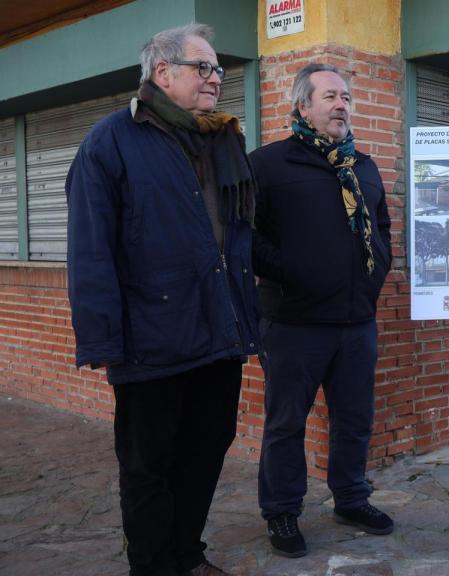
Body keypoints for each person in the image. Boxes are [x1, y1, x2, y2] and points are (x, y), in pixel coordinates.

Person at [66, 24, 260, 576]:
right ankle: (153, 566)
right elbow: (90, 249)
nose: (216, 79)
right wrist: (103, 339)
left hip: (219, 332)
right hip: (150, 340)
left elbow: (238, 236)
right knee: (148, 466)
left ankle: (186, 555)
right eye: (204, 68)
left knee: (205, 450)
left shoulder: (223, 139)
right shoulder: (111, 142)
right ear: (163, 72)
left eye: (219, 70)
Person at [251, 63, 393, 558]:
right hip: (294, 324)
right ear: (303, 106)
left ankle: (351, 497)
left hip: (357, 322)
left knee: (354, 418)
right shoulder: (267, 165)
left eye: (347, 97)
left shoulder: (364, 166)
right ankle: (283, 511)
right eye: (330, 96)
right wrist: (291, 269)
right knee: (286, 423)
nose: (342, 105)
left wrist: (377, 274)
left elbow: (382, 231)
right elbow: (245, 236)